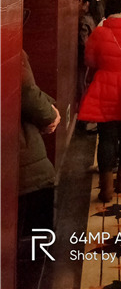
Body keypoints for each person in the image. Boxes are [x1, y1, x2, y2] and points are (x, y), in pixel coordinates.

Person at [78, 0, 121, 202]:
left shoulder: (99, 32)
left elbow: (89, 60)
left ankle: (105, 188)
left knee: (106, 137)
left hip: (104, 87)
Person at [18, 51, 61, 287]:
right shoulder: (9, 42)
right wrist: (50, 114)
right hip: (21, 154)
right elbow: (26, 91)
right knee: (33, 251)